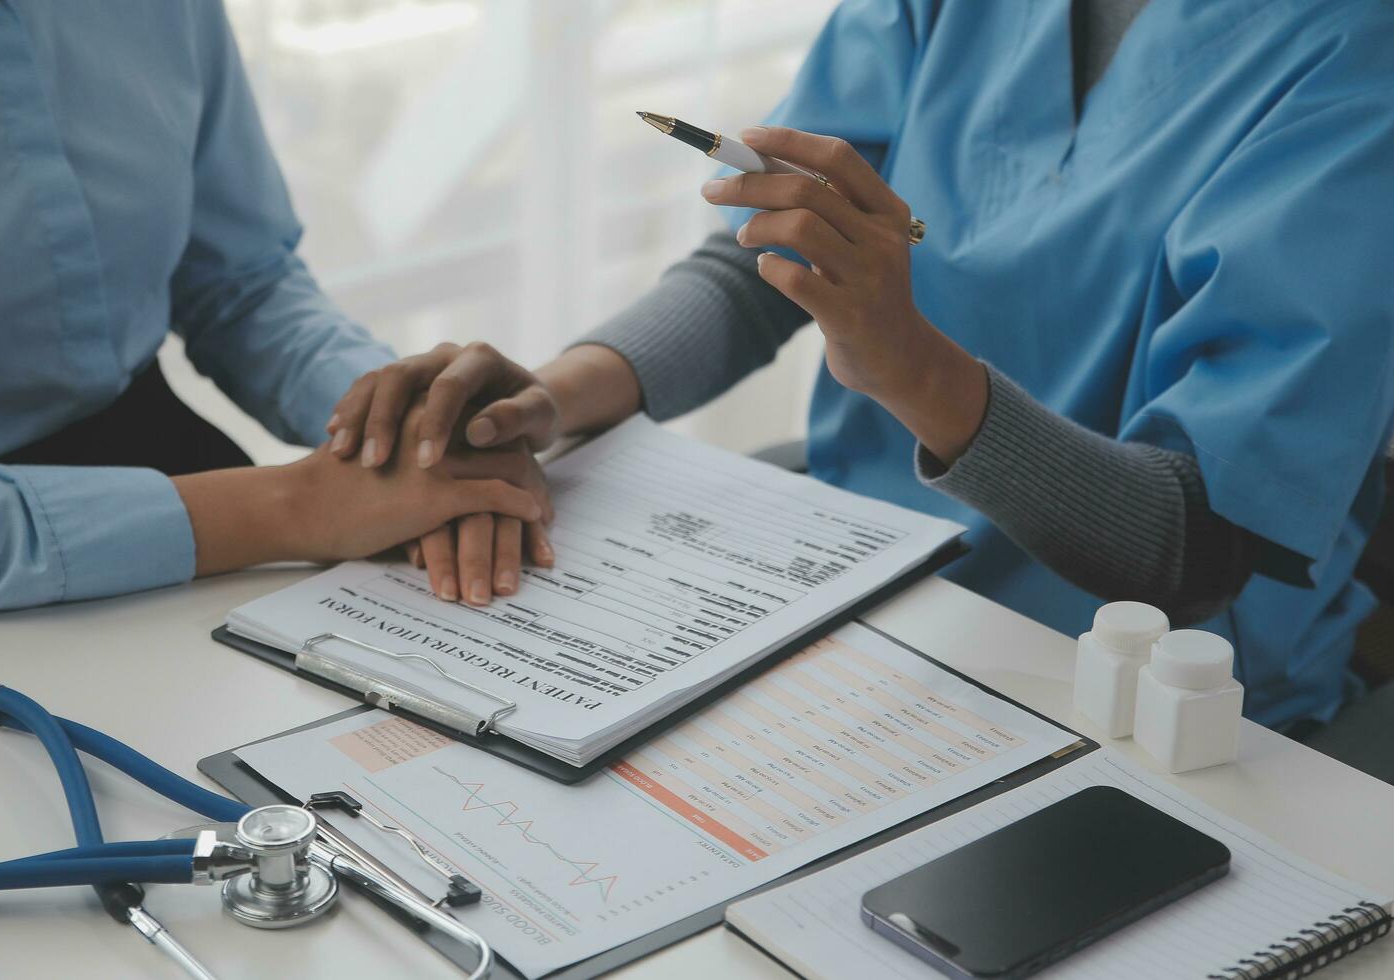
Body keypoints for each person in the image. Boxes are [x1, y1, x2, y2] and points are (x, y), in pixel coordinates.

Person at [326, 0, 1394, 732]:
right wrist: (554, 397)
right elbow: (774, 258)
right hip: (859, 584)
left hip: (1143, 687)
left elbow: (1195, 545)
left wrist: (907, 362)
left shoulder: (1353, 60)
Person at [0, 1, 549, 619]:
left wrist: (411, 430)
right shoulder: (286, 507)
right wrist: (295, 506)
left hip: (180, 474)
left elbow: (240, 278)